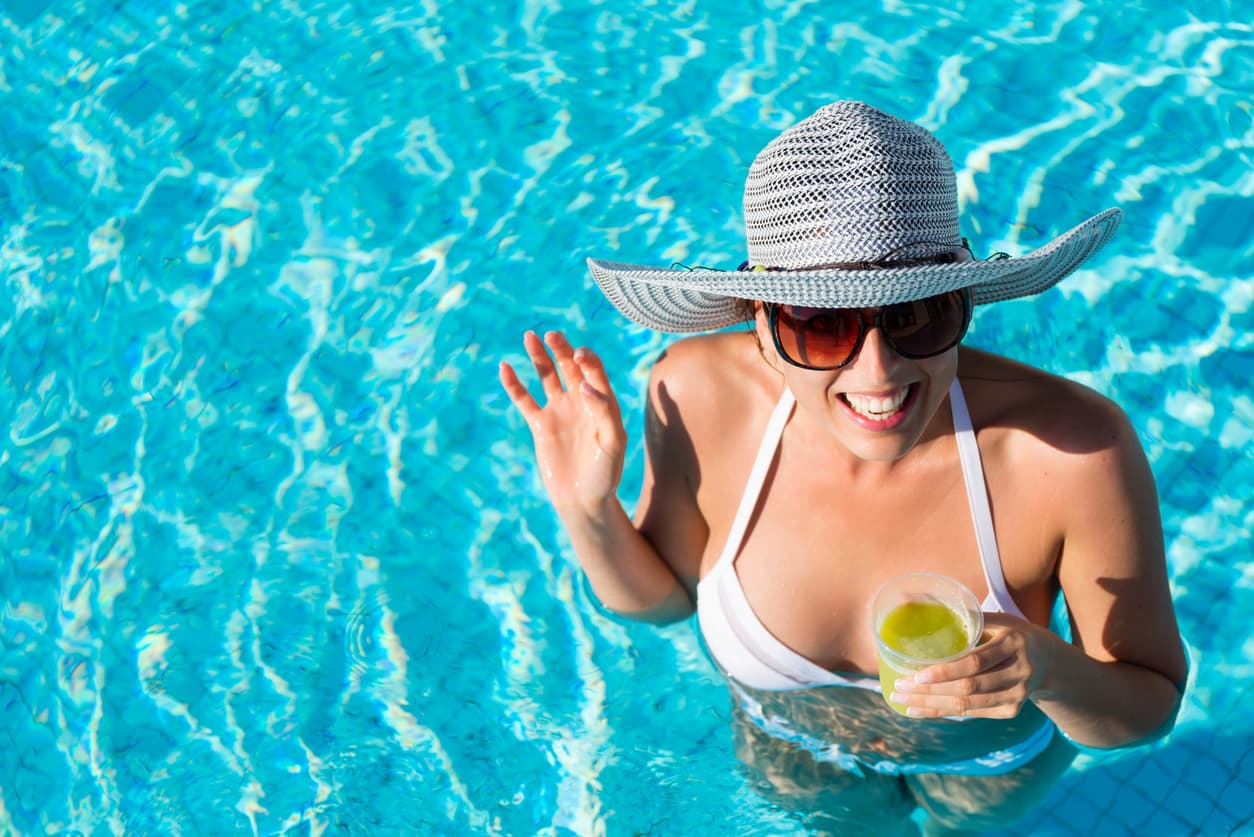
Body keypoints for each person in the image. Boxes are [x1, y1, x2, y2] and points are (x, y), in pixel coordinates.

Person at [499, 101, 1187, 835]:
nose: (880, 371)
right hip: (795, 751)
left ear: (964, 304)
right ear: (760, 320)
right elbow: (662, 598)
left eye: (916, 313)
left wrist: (1047, 669)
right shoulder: (697, 395)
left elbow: (1145, 709)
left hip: (984, 770)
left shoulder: (1071, 452)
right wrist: (585, 506)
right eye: (822, 325)